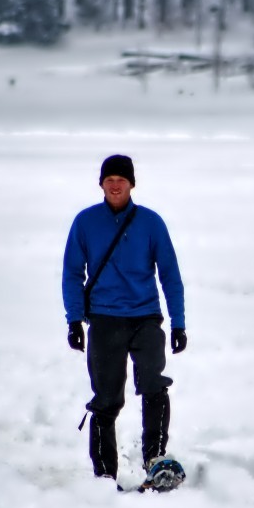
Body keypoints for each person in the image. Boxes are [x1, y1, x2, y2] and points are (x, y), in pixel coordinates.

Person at [62, 154, 187, 481]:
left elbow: (170, 275)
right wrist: (74, 321)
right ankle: (104, 476)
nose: (115, 185)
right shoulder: (85, 223)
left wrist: (178, 323)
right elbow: (72, 273)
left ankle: (156, 460)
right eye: (109, 179)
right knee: (106, 398)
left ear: (132, 184)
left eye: (121, 179)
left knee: (154, 386)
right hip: (104, 320)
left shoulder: (151, 223)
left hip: (146, 317)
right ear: (101, 184)